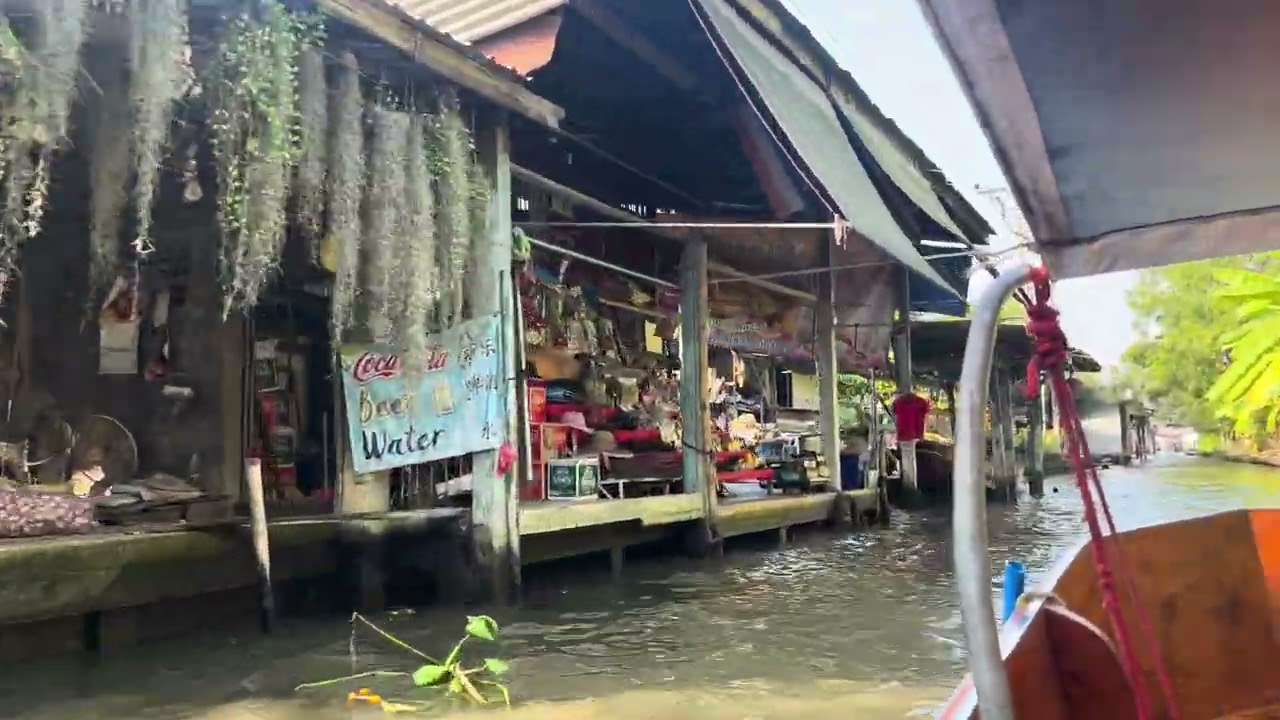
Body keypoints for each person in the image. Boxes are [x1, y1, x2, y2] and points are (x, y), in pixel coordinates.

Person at [892, 392, 930, 489]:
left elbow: (896, 418)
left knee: (907, 461)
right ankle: (911, 486)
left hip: (904, 434)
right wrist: (922, 434)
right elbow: (924, 418)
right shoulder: (921, 402)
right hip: (913, 433)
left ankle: (909, 486)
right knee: (909, 460)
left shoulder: (898, 402)